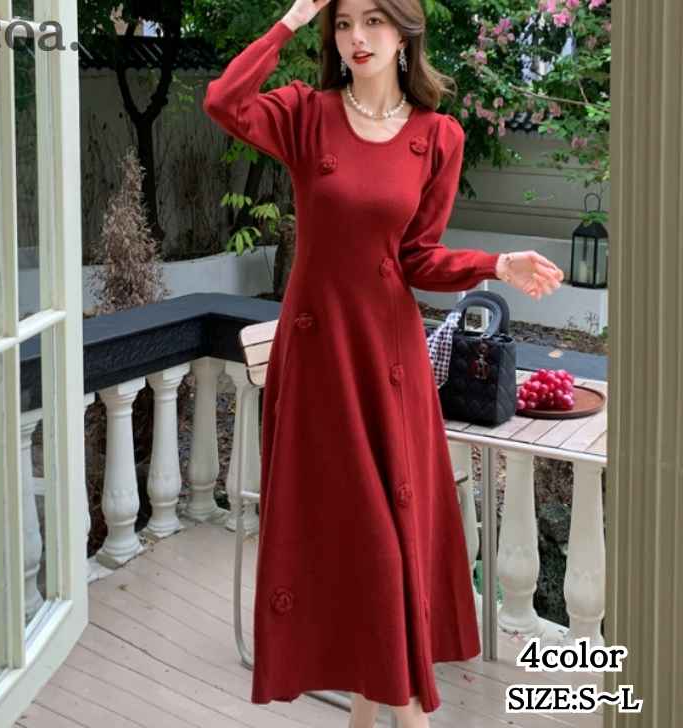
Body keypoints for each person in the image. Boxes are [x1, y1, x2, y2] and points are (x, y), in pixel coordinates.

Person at [203, 1, 564, 727]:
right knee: (359, 537)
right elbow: (224, 100)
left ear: (404, 31)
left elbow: (418, 258)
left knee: (389, 538)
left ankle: (370, 718)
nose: (357, 38)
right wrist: (292, 18)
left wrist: (496, 263)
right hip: (319, 358)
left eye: (373, 21)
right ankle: (408, 716)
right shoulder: (306, 115)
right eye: (343, 24)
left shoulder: (438, 136)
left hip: (390, 359)